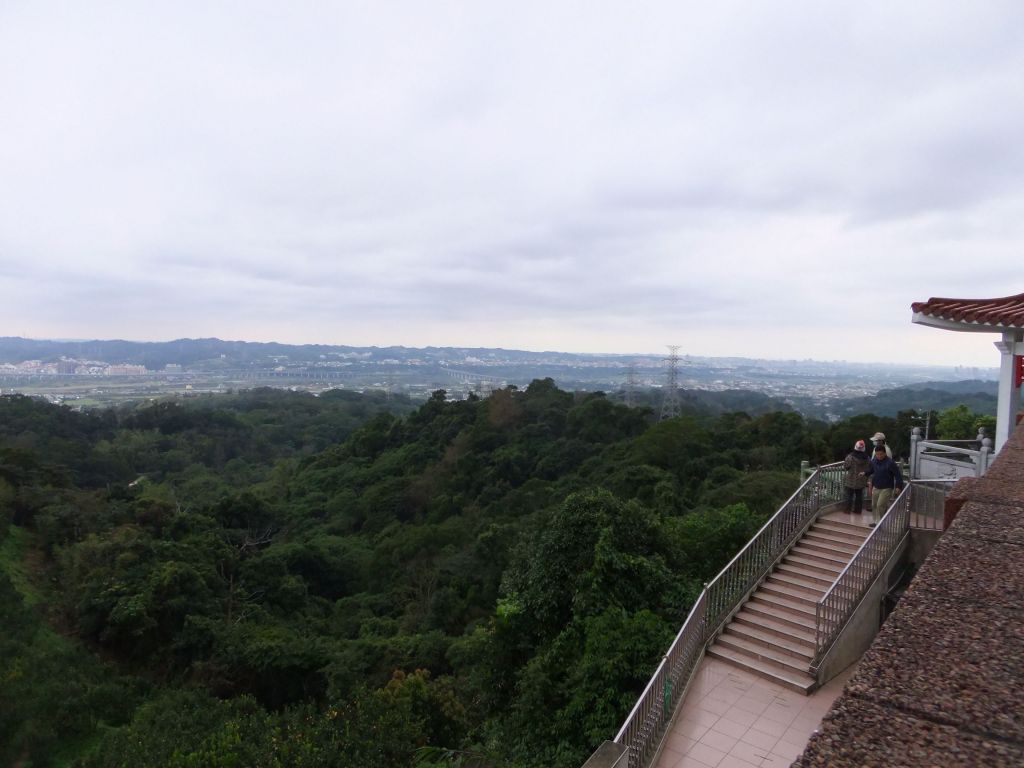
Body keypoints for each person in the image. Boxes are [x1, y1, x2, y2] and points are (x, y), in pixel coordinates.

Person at [866, 444, 904, 525]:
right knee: (874, 505)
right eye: (877, 454)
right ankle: (876, 521)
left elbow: (898, 475)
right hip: (876, 486)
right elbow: (871, 470)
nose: (879, 456)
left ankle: (880, 523)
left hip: (886, 488)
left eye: (881, 454)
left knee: (880, 505)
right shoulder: (874, 461)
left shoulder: (890, 463)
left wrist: (898, 486)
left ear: (885, 453)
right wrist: (865, 473)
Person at [843, 439, 870, 514]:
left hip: (851, 479)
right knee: (859, 496)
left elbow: (846, 467)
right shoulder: (867, 458)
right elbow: (869, 467)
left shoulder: (850, 457)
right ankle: (858, 510)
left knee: (849, 495)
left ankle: (847, 510)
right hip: (861, 479)